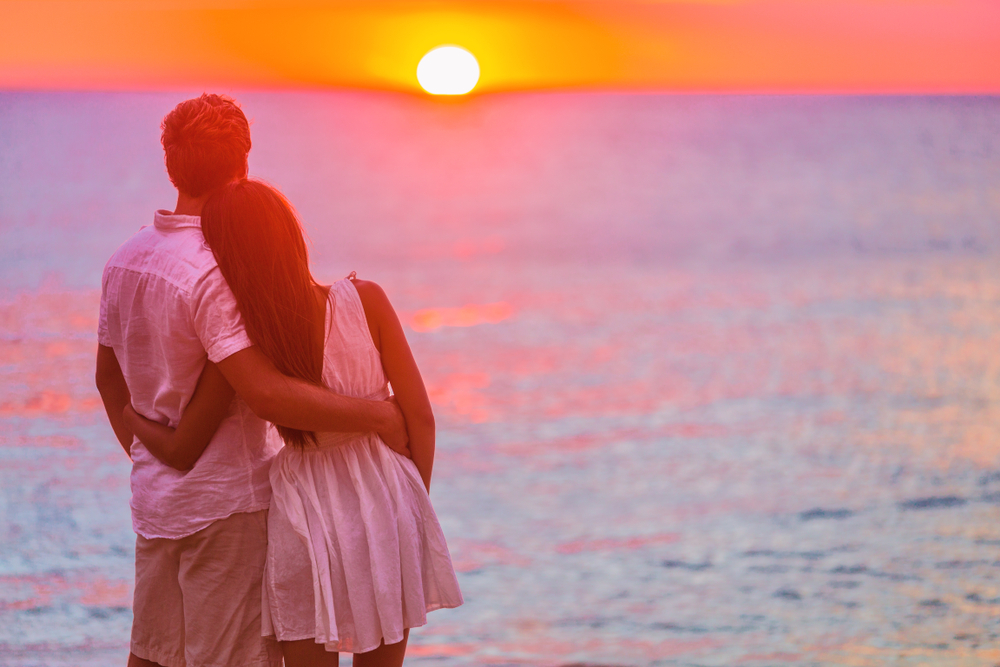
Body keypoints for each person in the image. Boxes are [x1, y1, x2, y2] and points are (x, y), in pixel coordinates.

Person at [94, 94, 410, 667]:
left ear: (170, 163)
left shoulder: (126, 258)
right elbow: (261, 389)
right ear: (244, 163)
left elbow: (107, 379)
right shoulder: (221, 266)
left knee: (153, 657)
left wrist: (151, 452)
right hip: (229, 510)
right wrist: (378, 415)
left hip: (157, 504)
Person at [124, 179, 464, 667]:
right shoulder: (366, 299)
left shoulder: (253, 339)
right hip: (385, 495)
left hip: (303, 507)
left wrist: (131, 416)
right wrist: (410, 504)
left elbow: (195, 432)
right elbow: (421, 418)